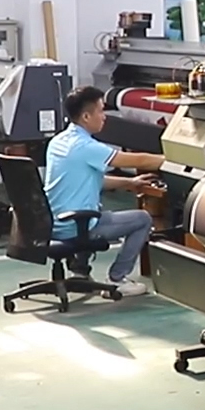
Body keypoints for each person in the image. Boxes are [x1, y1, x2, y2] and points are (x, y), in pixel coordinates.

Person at [43, 86, 166, 297]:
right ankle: (117, 279)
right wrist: (177, 160)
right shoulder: (86, 147)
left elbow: (92, 181)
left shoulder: (59, 142)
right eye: (101, 111)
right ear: (86, 116)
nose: (104, 117)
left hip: (53, 222)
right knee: (142, 219)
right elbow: (139, 160)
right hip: (75, 226)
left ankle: (80, 269)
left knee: (92, 210)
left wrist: (131, 183)